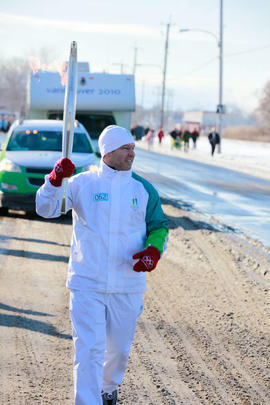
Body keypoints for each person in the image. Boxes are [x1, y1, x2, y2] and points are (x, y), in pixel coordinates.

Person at [36, 125, 169, 405]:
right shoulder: (83, 183)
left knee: (117, 350)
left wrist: (153, 251)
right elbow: (45, 209)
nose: (132, 153)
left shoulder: (143, 189)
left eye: (132, 147)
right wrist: (55, 180)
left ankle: (108, 389)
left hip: (127, 284)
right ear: (108, 151)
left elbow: (159, 226)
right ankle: (88, 400)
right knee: (89, 350)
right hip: (87, 282)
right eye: (125, 148)